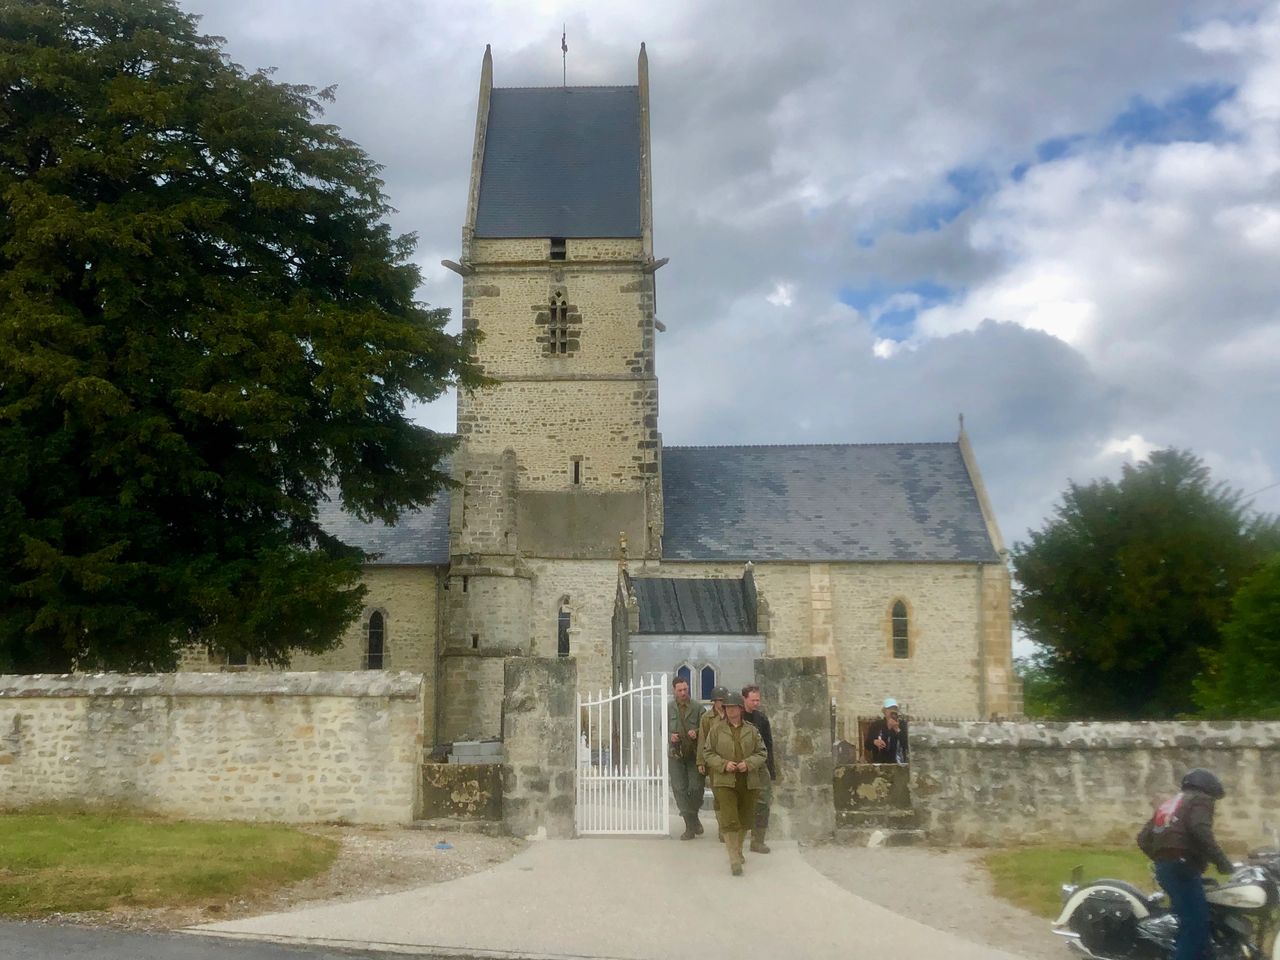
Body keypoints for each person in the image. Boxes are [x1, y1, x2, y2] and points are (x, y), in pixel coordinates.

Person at [1137, 768, 1234, 960]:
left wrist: (1161, 856)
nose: (1213, 802)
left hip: (1166, 868)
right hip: (1182, 866)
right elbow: (1200, 831)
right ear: (1208, 789)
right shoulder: (1200, 799)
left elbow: (1142, 839)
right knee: (1196, 924)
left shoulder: (1171, 804)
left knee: (1189, 919)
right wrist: (1223, 863)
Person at [702, 691, 768, 876]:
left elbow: (762, 753)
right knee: (729, 819)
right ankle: (734, 859)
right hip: (724, 780)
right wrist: (723, 764)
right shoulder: (716, 730)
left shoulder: (752, 730)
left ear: (740, 709)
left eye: (733, 707)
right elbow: (708, 753)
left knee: (745, 819)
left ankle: (738, 850)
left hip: (748, 780)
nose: (730, 711)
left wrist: (748, 763)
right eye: (727, 707)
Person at [667, 677, 706, 840]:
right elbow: (663, 729)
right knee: (679, 790)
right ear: (674, 690)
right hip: (676, 755)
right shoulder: (669, 708)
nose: (683, 693)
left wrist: (696, 732)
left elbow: (706, 728)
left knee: (696, 788)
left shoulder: (697, 708)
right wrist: (670, 736)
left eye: (685, 689)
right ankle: (690, 825)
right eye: (680, 690)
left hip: (693, 754)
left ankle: (694, 815)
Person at [741, 684, 776, 854]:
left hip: (760, 766)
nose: (756, 703)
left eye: (758, 700)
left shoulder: (761, 719)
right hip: (740, 766)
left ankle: (758, 840)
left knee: (763, 802)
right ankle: (736, 842)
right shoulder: (736, 717)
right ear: (744, 699)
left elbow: (768, 745)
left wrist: (771, 769)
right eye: (753, 700)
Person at [697, 686, 729, 841]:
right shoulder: (707, 718)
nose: (721, 704)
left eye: (723, 700)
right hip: (714, 761)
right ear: (714, 702)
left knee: (730, 795)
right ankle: (722, 828)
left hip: (730, 760)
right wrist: (700, 761)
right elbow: (702, 739)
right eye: (719, 701)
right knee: (718, 796)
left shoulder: (733, 714)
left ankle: (731, 826)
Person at [863, 697, 908, 764]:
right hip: (879, 763)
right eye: (889, 709)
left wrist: (897, 729)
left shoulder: (902, 725)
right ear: (884, 711)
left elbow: (906, 744)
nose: (892, 711)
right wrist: (874, 742)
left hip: (898, 764)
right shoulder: (876, 725)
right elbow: (867, 745)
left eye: (894, 709)